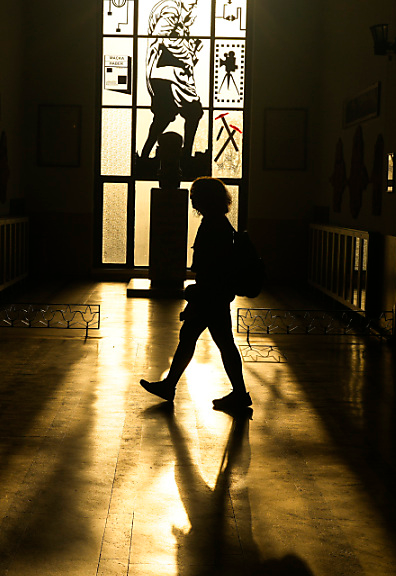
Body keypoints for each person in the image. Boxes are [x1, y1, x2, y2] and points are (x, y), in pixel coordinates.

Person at [140, 176, 251, 411]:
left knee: (200, 340)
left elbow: (212, 266)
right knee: (204, 341)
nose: (192, 200)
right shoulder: (219, 223)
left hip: (210, 296)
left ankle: (173, 386)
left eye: (195, 196)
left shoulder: (213, 226)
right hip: (214, 295)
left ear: (205, 199)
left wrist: (197, 291)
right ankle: (172, 385)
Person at [139, 0, 204, 161]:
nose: (195, 4)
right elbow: (165, 37)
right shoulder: (170, 10)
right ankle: (184, 155)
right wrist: (187, 53)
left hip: (170, 73)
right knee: (185, 112)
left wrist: (190, 50)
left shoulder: (177, 12)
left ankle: (145, 155)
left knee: (169, 114)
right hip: (167, 73)